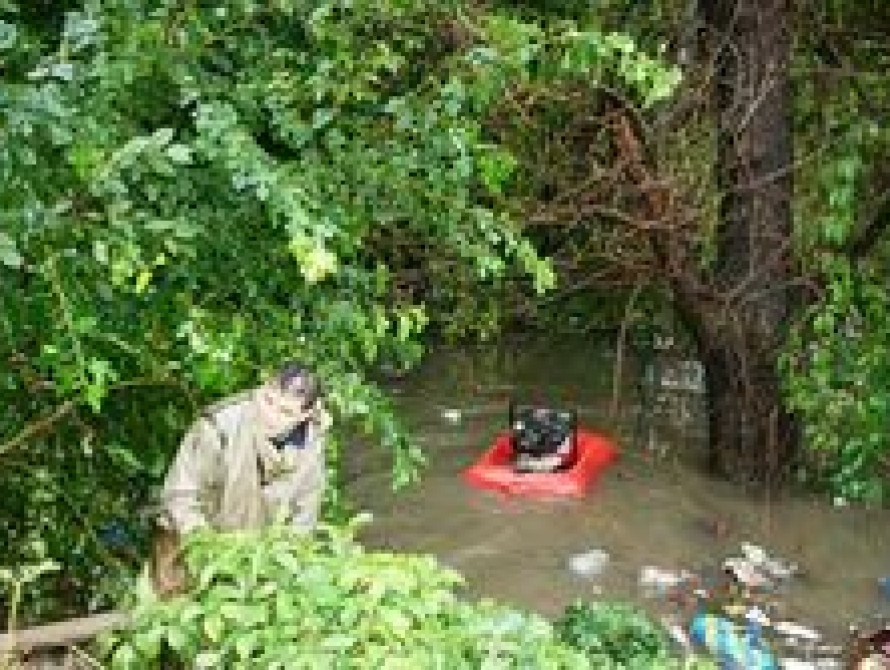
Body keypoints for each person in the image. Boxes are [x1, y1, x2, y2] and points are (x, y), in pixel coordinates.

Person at [149, 363, 331, 596]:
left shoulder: (312, 445)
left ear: (305, 414)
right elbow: (181, 497)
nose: (269, 415)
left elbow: (303, 520)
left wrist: (283, 563)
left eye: (285, 412)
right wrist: (212, 553)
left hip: (256, 559)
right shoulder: (218, 426)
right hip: (191, 545)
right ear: (262, 389)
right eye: (267, 400)